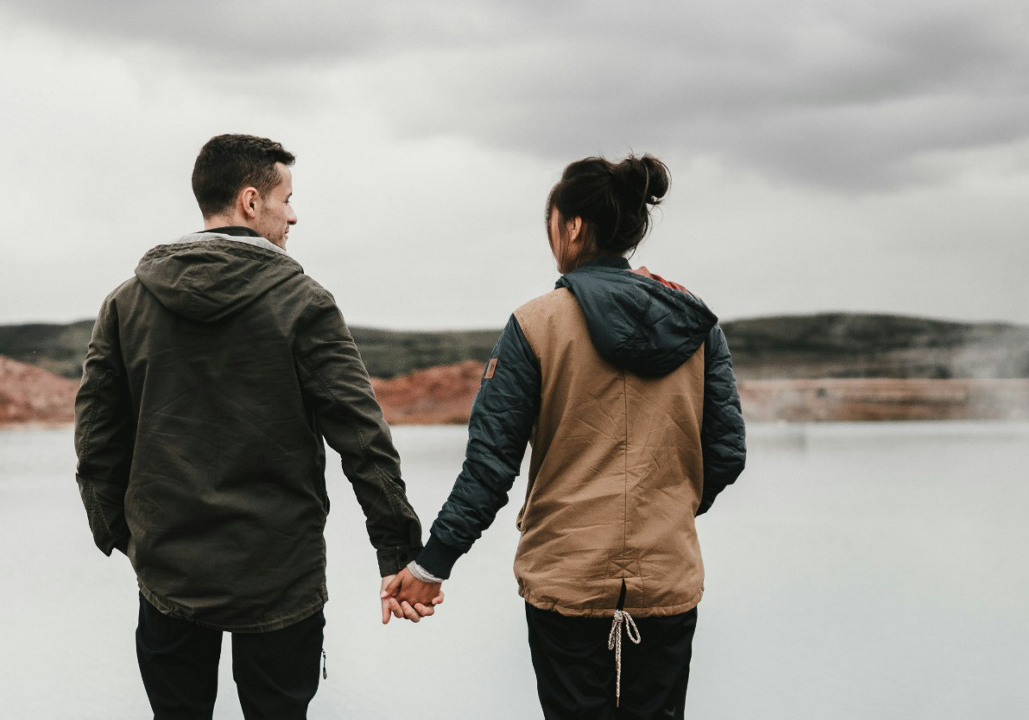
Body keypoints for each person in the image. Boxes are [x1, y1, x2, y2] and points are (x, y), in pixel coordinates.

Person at [74, 133, 432, 720]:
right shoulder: (305, 301)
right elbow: (362, 436)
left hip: (169, 572)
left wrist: (124, 536)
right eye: (285, 198)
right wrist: (396, 550)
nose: (293, 214)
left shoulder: (126, 303)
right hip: (280, 576)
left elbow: (96, 439)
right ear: (249, 201)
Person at [384, 154, 747, 718]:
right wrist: (666, 510)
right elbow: (726, 453)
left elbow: (489, 468)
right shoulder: (696, 325)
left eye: (550, 221)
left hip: (567, 582)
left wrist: (430, 567)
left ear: (573, 226)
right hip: (665, 579)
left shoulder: (534, 325)